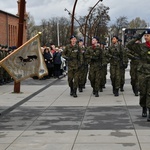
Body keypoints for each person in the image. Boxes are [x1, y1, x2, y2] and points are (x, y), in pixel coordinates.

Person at [126, 29, 150, 122]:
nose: (146, 37)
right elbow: (129, 45)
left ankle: (149, 111)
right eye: (145, 36)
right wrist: (138, 36)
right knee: (143, 92)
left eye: (147, 36)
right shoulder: (141, 47)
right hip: (143, 72)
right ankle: (143, 107)